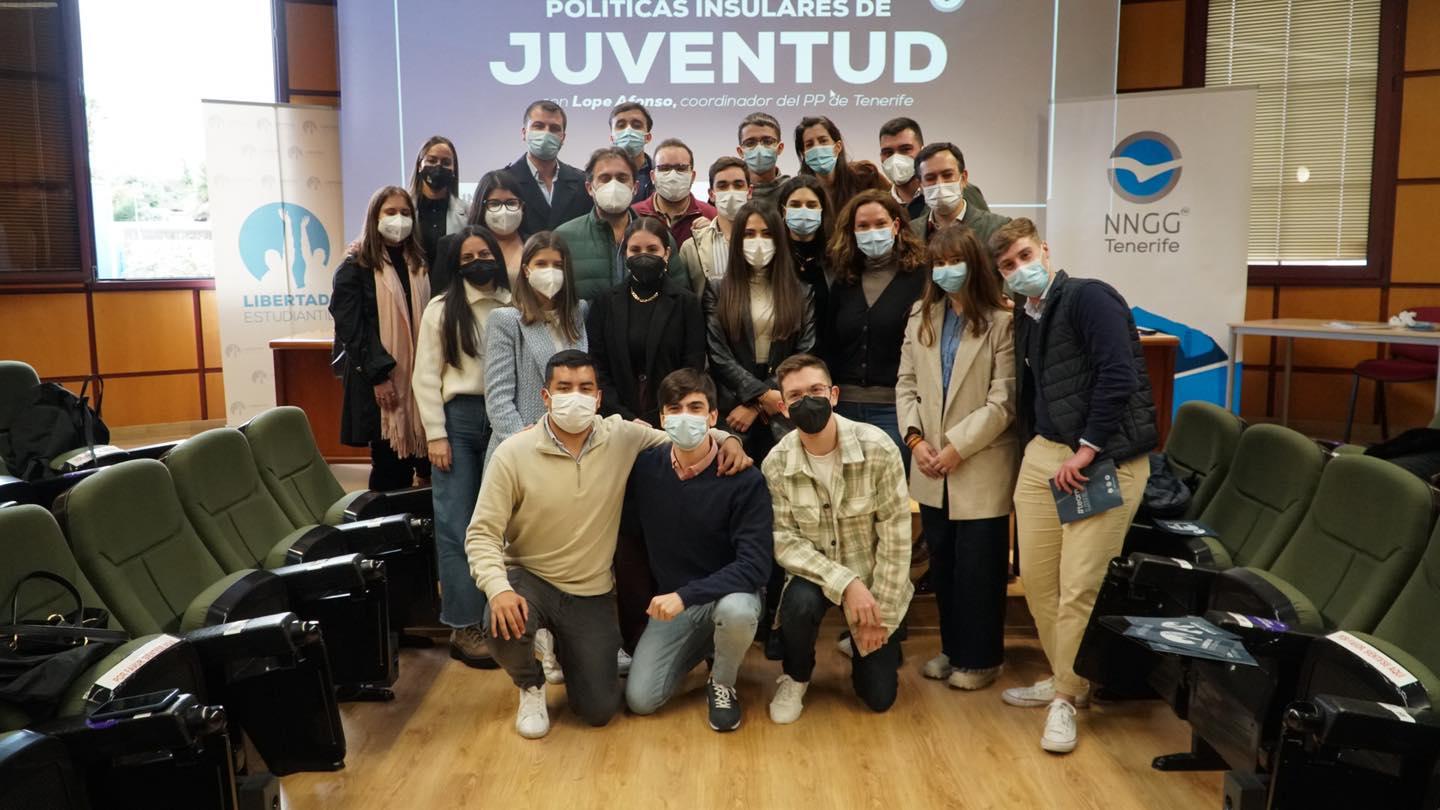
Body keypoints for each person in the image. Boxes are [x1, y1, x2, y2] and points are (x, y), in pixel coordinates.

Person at [465, 350, 753, 739]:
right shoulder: (513, 453)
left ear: (599, 398)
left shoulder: (621, 436)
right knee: (500, 620)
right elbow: (482, 533)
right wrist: (497, 589)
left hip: (590, 591)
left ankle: (563, 648)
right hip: (529, 579)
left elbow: (681, 431)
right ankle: (530, 683)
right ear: (546, 397)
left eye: (585, 388)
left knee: (600, 710)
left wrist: (730, 438)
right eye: (563, 388)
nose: (575, 396)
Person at [992, 217, 1157, 754]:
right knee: (1038, 581)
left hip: (1101, 459)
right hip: (1046, 456)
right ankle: (1068, 676)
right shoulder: (1028, 315)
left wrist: (1087, 448)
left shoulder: (1090, 297)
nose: (1019, 270)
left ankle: (1065, 698)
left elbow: (1119, 374)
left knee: (1080, 584)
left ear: (1044, 248)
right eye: (1007, 266)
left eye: (1023, 256)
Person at [895, 224, 1017, 692]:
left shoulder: (1002, 321)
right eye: (938, 263)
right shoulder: (921, 316)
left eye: (954, 261)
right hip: (928, 462)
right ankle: (952, 649)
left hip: (978, 461)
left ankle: (982, 658)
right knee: (942, 564)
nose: (946, 271)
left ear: (975, 263)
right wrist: (915, 441)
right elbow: (905, 384)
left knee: (979, 568)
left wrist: (954, 448)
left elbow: (1003, 402)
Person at [763, 354, 912, 723]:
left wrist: (882, 617)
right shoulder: (776, 464)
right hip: (817, 577)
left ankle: (862, 642)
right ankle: (796, 675)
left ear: (833, 395)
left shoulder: (879, 448)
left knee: (878, 698)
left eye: (815, 390)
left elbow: (896, 540)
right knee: (796, 603)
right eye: (796, 396)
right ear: (782, 407)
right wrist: (846, 585)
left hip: (875, 581)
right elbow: (784, 541)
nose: (807, 401)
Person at [623, 369, 772, 731]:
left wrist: (685, 595)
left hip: (729, 594)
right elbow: (631, 542)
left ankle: (722, 681)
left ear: (712, 417)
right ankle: (705, 645)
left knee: (735, 611)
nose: (684, 417)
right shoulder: (644, 469)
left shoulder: (744, 478)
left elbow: (755, 567)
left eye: (695, 408)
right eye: (674, 409)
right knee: (641, 701)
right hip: (676, 604)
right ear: (661, 418)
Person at [411, 226, 512, 669]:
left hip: (505, 417)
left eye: (484, 253)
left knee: (505, 524)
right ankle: (464, 623)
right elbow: (425, 376)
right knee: (456, 522)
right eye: (468, 257)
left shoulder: (515, 302)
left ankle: (503, 618)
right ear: (456, 264)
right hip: (459, 422)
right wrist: (435, 433)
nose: (477, 262)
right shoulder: (440, 309)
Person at [330, 185, 431, 491]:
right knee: (390, 466)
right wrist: (380, 376)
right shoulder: (355, 267)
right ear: (374, 217)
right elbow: (352, 328)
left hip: (421, 380)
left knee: (425, 463)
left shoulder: (420, 263)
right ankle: (385, 533)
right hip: (380, 381)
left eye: (404, 213)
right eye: (390, 212)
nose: (398, 219)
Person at [703, 201, 816, 461]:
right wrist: (762, 396)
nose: (758, 241)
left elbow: (804, 352)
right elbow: (718, 355)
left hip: (784, 407)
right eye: (749, 234)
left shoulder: (802, 292)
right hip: (733, 411)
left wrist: (759, 403)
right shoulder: (717, 289)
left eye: (766, 234)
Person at [825, 189, 928, 465]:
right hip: (842, 409)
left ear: (896, 226)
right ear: (852, 231)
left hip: (896, 410)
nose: (872, 232)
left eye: (880, 224)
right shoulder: (843, 280)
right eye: (863, 226)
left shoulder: (921, 277)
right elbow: (829, 343)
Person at [588, 216, 706, 427]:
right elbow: (598, 368)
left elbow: (692, 368)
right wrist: (626, 417)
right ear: (625, 254)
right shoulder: (604, 303)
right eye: (635, 250)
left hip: (671, 419)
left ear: (667, 253)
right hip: (616, 422)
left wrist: (662, 415)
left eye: (652, 249)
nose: (644, 256)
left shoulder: (686, 303)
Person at [483, 231, 588, 464]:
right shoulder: (506, 320)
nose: (549, 271)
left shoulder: (580, 312)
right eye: (541, 263)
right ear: (526, 269)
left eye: (557, 265)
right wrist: (522, 444)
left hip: (574, 446)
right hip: (521, 449)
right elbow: (498, 397)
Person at [554, 147, 687, 301]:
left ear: (635, 188)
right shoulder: (563, 238)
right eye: (605, 178)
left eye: (622, 178)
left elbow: (681, 298)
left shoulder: (660, 238)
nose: (614, 185)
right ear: (590, 188)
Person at [504, 99, 591, 236]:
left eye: (554, 129)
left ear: (563, 137)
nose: (546, 133)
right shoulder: (503, 182)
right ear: (524, 133)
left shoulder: (583, 182)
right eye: (538, 126)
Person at [877, 118, 989, 223]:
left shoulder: (962, 191)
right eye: (888, 152)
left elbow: (986, 230)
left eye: (905, 149)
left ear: (922, 151)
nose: (896, 158)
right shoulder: (880, 204)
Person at [911, 142, 1010, 249]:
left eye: (947, 175)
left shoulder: (997, 228)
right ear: (920, 185)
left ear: (963, 179)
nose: (940, 183)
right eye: (930, 178)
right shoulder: (910, 233)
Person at [777, 175, 834, 353]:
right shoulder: (774, 257)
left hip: (831, 360)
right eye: (795, 205)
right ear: (784, 211)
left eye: (811, 205)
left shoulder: (836, 257)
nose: (803, 211)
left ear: (822, 210)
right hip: (783, 359)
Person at [677, 156, 749, 294]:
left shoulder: (767, 239)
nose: (731, 191)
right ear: (711, 194)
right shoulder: (691, 248)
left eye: (738, 185)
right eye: (722, 186)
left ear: (749, 192)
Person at [632, 138, 717, 249]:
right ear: (652, 176)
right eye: (664, 168)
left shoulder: (712, 216)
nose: (672, 175)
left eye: (681, 168)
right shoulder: (634, 215)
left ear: (692, 176)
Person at [794, 116, 887, 213]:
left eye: (823, 141)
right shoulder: (800, 192)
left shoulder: (866, 175)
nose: (817, 148)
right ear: (803, 154)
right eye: (809, 144)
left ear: (838, 147)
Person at [409, 135, 468, 272]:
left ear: (454, 170)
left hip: (450, 288)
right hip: (411, 286)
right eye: (432, 160)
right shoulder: (405, 208)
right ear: (419, 166)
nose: (438, 167)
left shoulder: (468, 212)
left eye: (446, 162)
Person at [464, 170, 527, 288]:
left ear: (522, 205)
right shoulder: (462, 246)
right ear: (481, 207)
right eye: (494, 204)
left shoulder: (533, 244)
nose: (504, 210)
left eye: (511, 203)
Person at [736, 112, 790, 209]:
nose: (759, 148)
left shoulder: (793, 190)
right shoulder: (732, 193)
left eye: (767, 141)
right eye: (750, 143)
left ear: (780, 148)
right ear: (740, 152)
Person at [609, 101, 656, 203]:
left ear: (647, 137)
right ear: (612, 138)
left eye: (636, 125)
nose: (628, 130)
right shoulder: (597, 177)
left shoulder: (660, 175)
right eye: (621, 125)